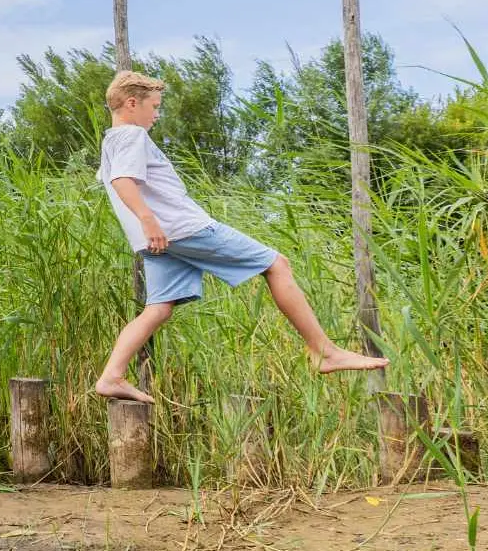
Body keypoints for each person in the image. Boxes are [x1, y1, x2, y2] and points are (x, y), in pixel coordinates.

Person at [93, 71, 388, 404]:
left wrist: (148, 227)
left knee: (159, 308)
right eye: (155, 106)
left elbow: (121, 181)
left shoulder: (111, 141)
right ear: (132, 103)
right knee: (277, 264)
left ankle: (111, 375)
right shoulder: (131, 134)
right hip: (180, 228)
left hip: (157, 241)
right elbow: (122, 181)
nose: (157, 115)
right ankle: (325, 351)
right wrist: (149, 220)